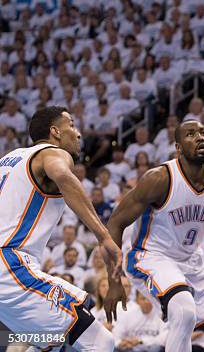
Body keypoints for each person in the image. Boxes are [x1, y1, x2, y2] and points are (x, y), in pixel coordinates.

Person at [104, 120, 204, 352]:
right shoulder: (159, 179)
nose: (200, 138)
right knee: (184, 310)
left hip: (191, 260)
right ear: (178, 147)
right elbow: (115, 223)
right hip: (149, 255)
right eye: (190, 134)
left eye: (203, 133)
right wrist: (114, 282)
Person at [0, 106, 122, 350]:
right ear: (55, 131)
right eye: (72, 125)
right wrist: (104, 236)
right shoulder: (52, 153)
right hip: (9, 265)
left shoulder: (8, 159)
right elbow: (63, 176)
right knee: (101, 342)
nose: (78, 134)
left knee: (49, 342)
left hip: (8, 273)